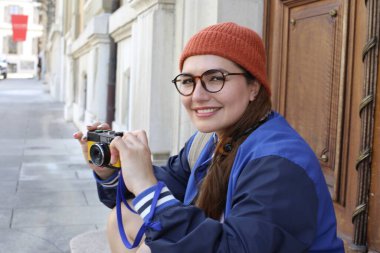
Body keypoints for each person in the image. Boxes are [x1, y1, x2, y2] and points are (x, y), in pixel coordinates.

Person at [74, 22, 345, 253]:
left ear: (254, 87)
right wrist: (112, 169)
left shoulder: (279, 165)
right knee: (125, 215)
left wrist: (147, 186)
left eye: (215, 78)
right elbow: (162, 192)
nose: (198, 95)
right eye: (188, 81)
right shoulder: (208, 141)